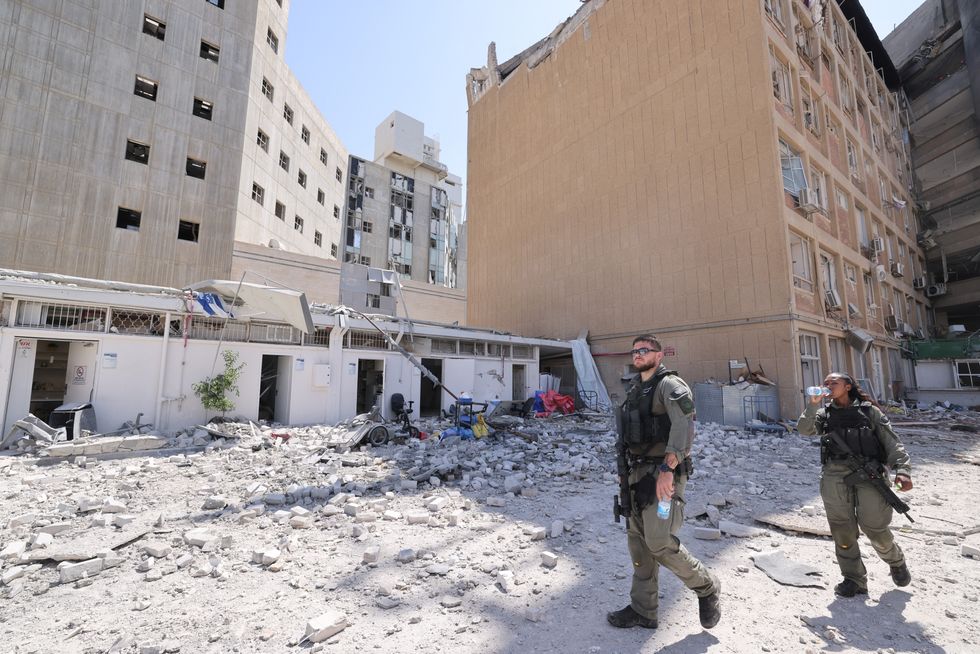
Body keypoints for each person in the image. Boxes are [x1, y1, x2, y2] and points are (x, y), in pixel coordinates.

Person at [607, 335, 721, 630]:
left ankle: (706, 586)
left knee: (658, 540)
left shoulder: (670, 385)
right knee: (638, 544)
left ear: (659, 355)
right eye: (634, 350)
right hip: (636, 474)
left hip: (663, 475)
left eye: (644, 350)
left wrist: (669, 469)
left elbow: (685, 425)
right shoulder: (636, 389)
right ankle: (644, 609)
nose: (638, 354)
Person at [797, 372, 913, 597]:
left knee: (875, 528)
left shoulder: (869, 412)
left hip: (868, 474)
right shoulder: (824, 413)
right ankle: (853, 579)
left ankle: (895, 560)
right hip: (834, 476)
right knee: (842, 529)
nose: (828, 386)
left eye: (834, 383)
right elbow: (804, 429)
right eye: (826, 383)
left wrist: (903, 470)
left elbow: (892, 442)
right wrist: (812, 405)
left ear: (848, 386)